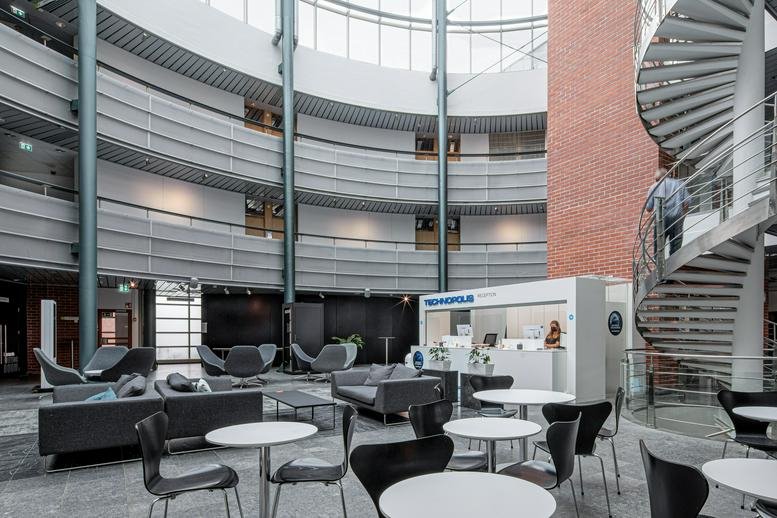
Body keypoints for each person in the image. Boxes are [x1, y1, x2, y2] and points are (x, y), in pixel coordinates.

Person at [646, 167, 691, 256]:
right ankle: (675, 262)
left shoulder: (654, 187)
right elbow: (687, 202)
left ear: (659, 175)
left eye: (655, 174)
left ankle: (658, 263)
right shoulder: (679, 183)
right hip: (677, 217)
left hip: (660, 219)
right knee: (676, 244)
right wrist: (683, 215)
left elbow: (648, 208)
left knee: (659, 246)